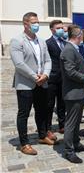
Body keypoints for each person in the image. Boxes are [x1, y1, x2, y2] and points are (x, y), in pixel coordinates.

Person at [10, 12, 54, 155]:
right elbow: (19, 64)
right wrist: (35, 77)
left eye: (37, 22)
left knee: (41, 110)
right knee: (24, 113)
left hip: (42, 82)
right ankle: (24, 143)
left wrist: (45, 74)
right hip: (26, 84)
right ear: (25, 24)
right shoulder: (17, 41)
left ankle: (42, 135)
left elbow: (48, 60)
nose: (37, 25)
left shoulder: (41, 41)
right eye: (33, 22)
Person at [60, 24, 84, 164]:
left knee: (76, 122)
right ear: (78, 36)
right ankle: (69, 151)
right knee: (71, 123)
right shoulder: (68, 50)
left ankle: (76, 143)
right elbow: (70, 72)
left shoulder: (73, 49)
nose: (83, 39)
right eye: (82, 37)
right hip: (73, 93)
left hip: (78, 91)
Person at [46, 20, 66, 139]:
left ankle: (62, 124)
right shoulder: (48, 43)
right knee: (49, 104)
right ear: (52, 29)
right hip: (52, 78)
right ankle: (47, 127)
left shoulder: (64, 42)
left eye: (61, 27)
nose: (61, 29)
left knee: (62, 103)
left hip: (63, 78)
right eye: (58, 28)